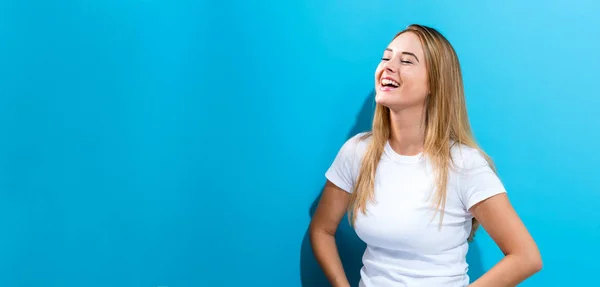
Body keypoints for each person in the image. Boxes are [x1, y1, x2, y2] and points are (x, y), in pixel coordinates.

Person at [309, 24, 542, 287]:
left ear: (435, 83)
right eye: (386, 57)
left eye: (406, 61)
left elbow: (526, 257)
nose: (389, 66)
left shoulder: (464, 164)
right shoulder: (357, 152)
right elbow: (321, 229)